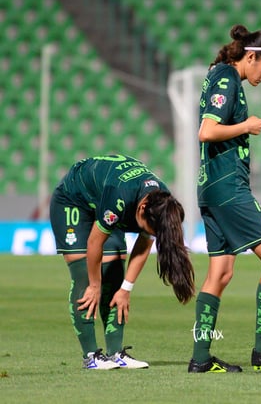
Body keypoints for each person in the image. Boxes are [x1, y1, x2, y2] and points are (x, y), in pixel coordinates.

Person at [188, 24, 261, 373]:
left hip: (210, 188)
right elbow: (207, 131)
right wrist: (246, 126)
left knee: (221, 273)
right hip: (228, 189)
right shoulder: (226, 77)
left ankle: (200, 358)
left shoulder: (220, 76)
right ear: (250, 56)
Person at [50, 154, 195, 370]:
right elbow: (94, 243)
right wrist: (94, 285)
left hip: (104, 199)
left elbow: (145, 242)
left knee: (116, 266)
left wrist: (127, 288)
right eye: (145, 228)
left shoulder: (162, 204)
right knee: (84, 278)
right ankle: (90, 357)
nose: (146, 232)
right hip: (74, 200)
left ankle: (115, 353)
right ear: (142, 208)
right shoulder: (119, 198)